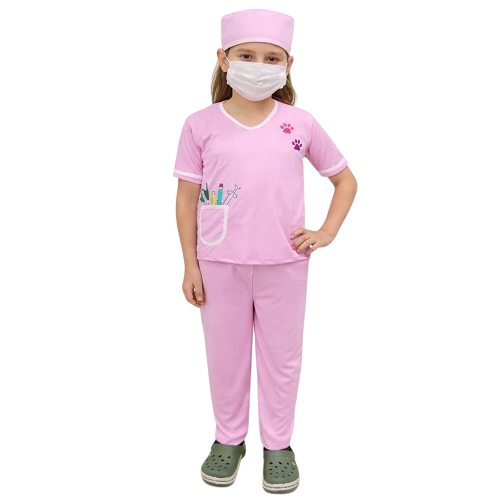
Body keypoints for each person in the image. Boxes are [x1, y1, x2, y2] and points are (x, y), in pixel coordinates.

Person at [173, 8, 357, 494]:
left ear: (288, 65)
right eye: (247, 55)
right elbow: (187, 198)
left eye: (271, 57)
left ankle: (278, 445)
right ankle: (228, 439)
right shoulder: (200, 125)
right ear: (224, 58)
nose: (259, 65)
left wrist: (326, 232)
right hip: (219, 263)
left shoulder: (300, 124)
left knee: (282, 359)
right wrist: (190, 264)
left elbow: (345, 181)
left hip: (283, 264)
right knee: (225, 358)